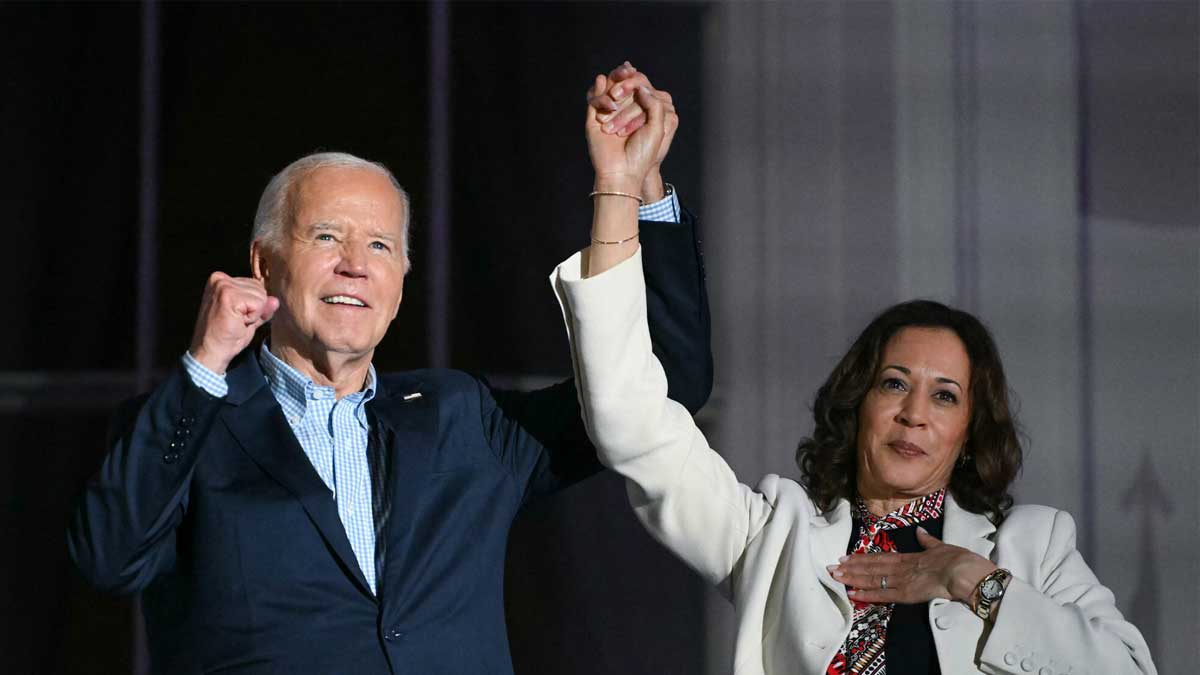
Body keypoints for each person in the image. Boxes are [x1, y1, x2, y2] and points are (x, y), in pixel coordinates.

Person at [68, 64, 709, 674]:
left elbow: (665, 387)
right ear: (263, 264)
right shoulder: (189, 424)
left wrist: (636, 189)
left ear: (401, 281)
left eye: (380, 245)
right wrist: (207, 365)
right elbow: (109, 558)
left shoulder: (463, 420)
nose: (355, 263)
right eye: (326, 237)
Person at [551, 83, 1157, 674]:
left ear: (969, 432)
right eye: (894, 384)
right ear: (857, 405)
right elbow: (632, 425)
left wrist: (972, 581)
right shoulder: (776, 535)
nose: (914, 412)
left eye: (945, 396)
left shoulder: (1034, 546)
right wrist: (620, 187)